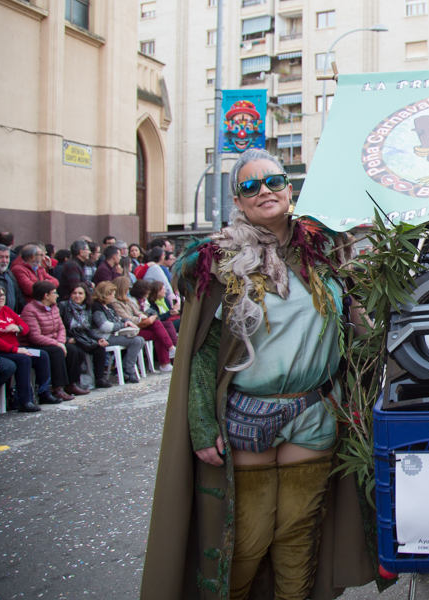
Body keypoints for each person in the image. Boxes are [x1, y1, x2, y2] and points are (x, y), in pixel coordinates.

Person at [140, 148, 373, 600]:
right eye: (250, 186)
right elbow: (204, 354)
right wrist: (202, 426)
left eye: (273, 181)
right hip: (249, 413)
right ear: (239, 201)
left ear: (290, 188)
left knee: (298, 534)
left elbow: (356, 323)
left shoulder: (325, 250)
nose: (264, 190)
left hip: (315, 410)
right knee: (247, 540)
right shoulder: (220, 260)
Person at [0, 282, 56, 408]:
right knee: (23, 359)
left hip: (15, 349)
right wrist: (15, 350)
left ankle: (44, 394)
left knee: (42, 355)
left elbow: (26, 328)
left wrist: (17, 327)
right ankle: (23, 400)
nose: (1, 298)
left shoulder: (6, 310)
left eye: (3, 294)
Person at [20, 280, 90, 399]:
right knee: (56, 351)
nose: (57, 295)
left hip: (53, 342)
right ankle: (57, 388)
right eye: (54, 293)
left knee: (74, 350)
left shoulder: (53, 307)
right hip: (34, 345)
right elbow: (35, 337)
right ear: (46, 296)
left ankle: (70, 384)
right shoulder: (30, 310)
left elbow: (61, 328)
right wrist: (57, 343)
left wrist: (60, 342)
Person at [109, 276, 174, 372]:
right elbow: (126, 318)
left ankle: (168, 356)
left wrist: (143, 316)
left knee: (158, 328)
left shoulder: (126, 301)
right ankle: (168, 354)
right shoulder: (115, 303)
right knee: (158, 328)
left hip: (135, 327)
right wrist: (142, 318)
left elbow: (137, 312)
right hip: (127, 331)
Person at [59, 284, 113, 389]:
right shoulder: (63, 306)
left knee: (99, 347)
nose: (77, 296)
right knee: (77, 352)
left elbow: (88, 329)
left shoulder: (87, 307)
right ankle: (73, 383)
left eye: (80, 293)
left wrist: (98, 338)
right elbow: (59, 326)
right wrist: (66, 339)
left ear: (85, 295)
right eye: (74, 293)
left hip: (82, 337)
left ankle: (99, 379)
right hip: (70, 337)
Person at [91, 281, 144, 383]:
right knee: (136, 341)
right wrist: (122, 325)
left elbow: (118, 319)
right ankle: (128, 371)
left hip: (113, 334)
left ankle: (125, 368)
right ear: (106, 294)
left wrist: (126, 321)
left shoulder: (108, 306)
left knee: (140, 340)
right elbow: (104, 326)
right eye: (112, 295)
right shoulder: (96, 307)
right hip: (104, 337)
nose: (113, 297)